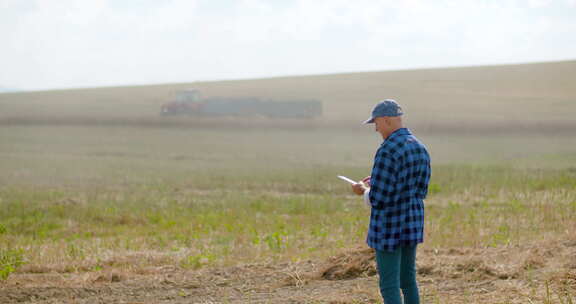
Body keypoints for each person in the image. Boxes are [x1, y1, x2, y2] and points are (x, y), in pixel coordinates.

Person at [351, 99, 431, 304]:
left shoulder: (387, 150)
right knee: (408, 280)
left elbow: (379, 198)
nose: (376, 129)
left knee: (389, 284)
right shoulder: (420, 147)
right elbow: (421, 189)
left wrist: (364, 190)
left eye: (376, 123)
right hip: (412, 221)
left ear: (386, 120)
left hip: (389, 226)